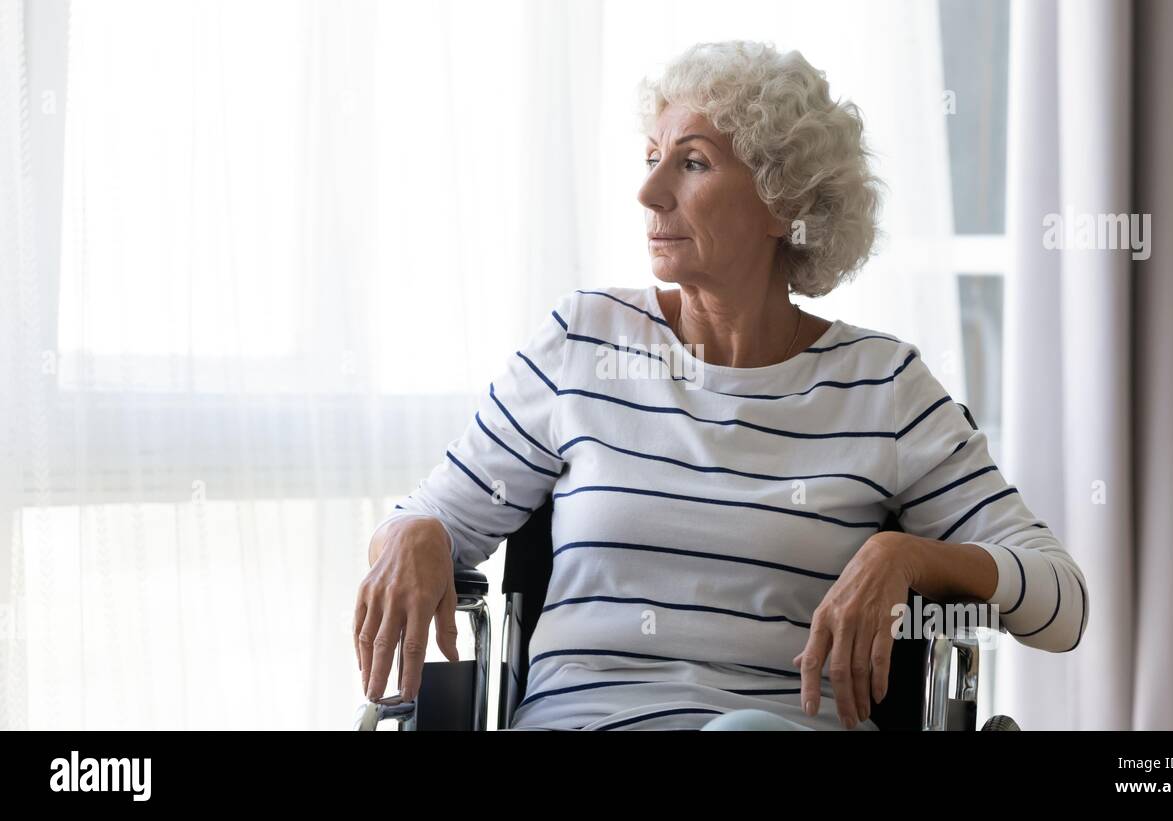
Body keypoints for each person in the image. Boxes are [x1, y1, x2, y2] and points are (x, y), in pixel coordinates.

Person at [355, 40, 1089, 732]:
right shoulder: (582, 343)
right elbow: (423, 523)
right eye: (650, 158)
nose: (649, 191)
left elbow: (1062, 601)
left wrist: (909, 555)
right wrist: (415, 532)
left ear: (783, 201)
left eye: (693, 163)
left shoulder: (883, 386)